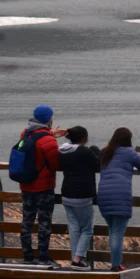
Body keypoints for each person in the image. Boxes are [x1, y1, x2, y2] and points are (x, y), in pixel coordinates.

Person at [97, 128, 140, 272]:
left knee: (112, 230)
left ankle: (115, 263)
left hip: (103, 194)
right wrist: (139, 157)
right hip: (120, 195)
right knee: (117, 233)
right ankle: (115, 265)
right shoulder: (130, 153)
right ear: (128, 139)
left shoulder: (105, 152)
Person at [18, 105, 65, 266]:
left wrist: (51, 134)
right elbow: (55, 164)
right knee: (44, 223)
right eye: (51, 116)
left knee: (27, 221)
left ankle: (27, 257)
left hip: (26, 185)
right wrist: (51, 137)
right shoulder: (48, 141)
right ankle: (43, 257)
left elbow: (37, 142)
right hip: (44, 187)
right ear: (48, 119)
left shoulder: (26, 133)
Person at [59, 126, 101, 269]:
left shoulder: (62, 151)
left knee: (74, 228)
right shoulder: (84, 151)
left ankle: (74, 259)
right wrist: (96, 151)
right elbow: (98, 165)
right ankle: (78, 260)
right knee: (87, 229)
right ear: (84, 138)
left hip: (66, 193)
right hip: (82, 194)